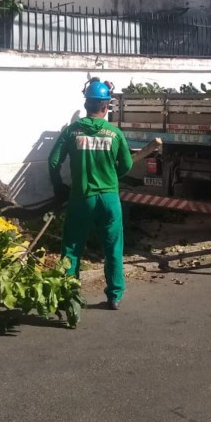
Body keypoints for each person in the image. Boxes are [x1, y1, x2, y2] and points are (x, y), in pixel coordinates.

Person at [49, 79, 156, 310]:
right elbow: (126, 165)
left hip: (81, 198)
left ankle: (69, 295)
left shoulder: (71, 131)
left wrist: (58, 186)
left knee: (72, 247)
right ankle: (115, 295)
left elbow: (53, 160)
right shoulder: (115, 133)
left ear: (86, 104)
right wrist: (110, 174)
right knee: (113, 248)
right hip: (109, 199)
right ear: (106, 106)